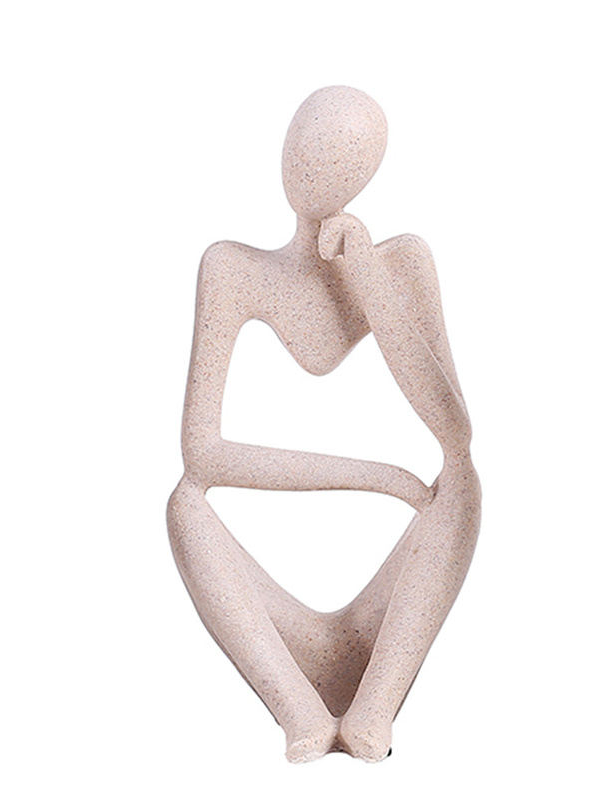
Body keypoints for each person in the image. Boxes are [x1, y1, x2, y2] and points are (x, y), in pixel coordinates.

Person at [167, 86, 481, 762]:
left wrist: (368, 276)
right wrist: (378, 476)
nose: (308, 165)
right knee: (184, 504)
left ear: (364, 177)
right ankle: (298, 711)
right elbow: (202, 456)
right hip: (279, 628)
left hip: (385, 621)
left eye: (340, 156)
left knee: (463, 480)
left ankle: (376, 708)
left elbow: (455, 434)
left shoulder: (401, 264)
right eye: (302, 143)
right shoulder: (232, 268)